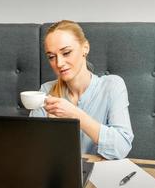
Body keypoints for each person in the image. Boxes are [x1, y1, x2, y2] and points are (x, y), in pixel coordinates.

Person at [30, 20, 134, 160]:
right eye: (51, 57)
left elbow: (121, 147)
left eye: (66, 53)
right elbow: (33, 150)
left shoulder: (112, 86)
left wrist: (75, 115)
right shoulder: (46, 91)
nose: (59, 63)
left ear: (85, 48)